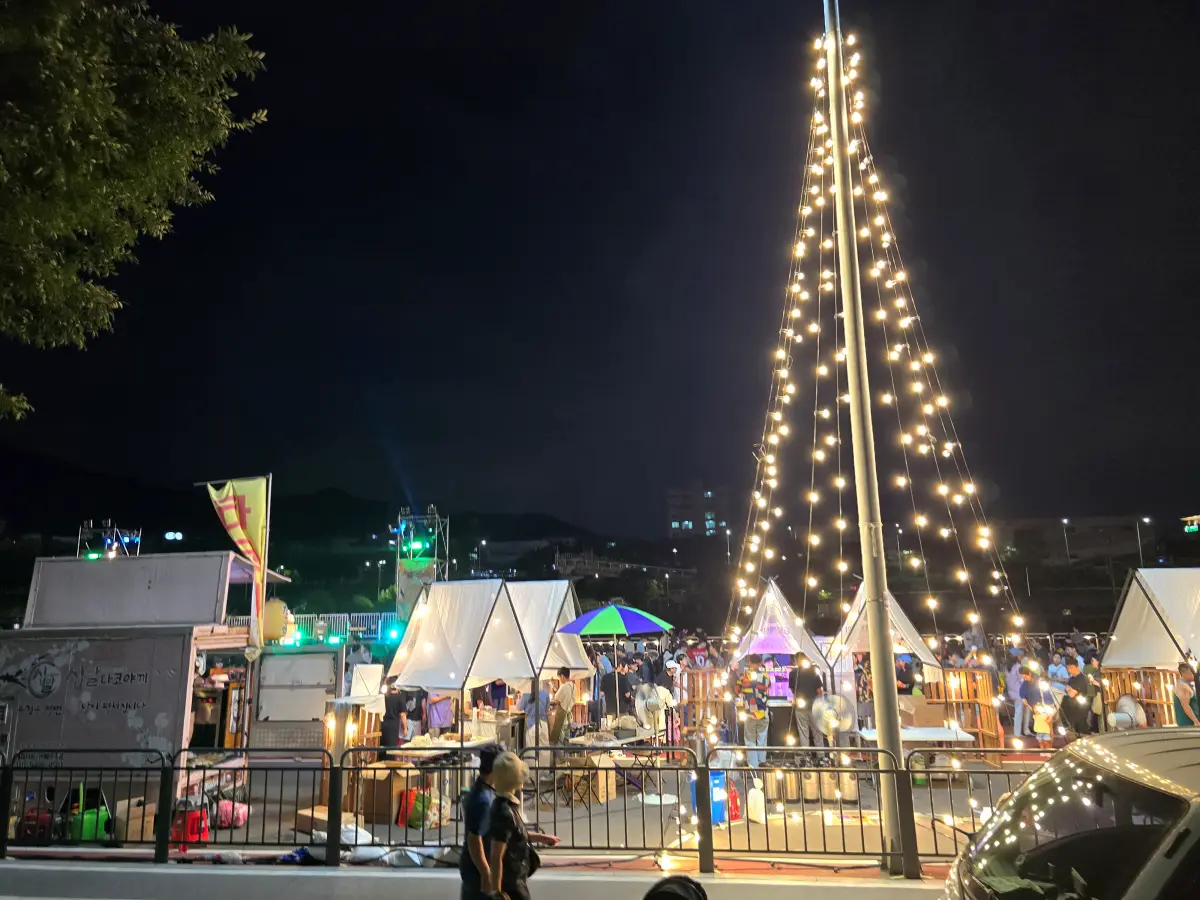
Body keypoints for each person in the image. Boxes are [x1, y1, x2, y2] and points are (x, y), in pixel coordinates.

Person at [485, 752, 560, 900]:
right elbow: (496, 856)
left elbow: (514, 835)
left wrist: (542, 838)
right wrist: (497, 892)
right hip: (511, 886)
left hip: (515, 881)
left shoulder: (505, 807)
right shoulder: (504, 812)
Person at [460, 744, 502, 900]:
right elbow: (474, 838)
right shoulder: (483, 799)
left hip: (475, 866)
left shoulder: (485, 790)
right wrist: (486, 873)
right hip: (476, 870)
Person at [736, 654, 769, 767]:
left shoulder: (744, 675)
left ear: (749, 662)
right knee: (762, 737)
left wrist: (743, 683)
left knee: (750, 739)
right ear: (760, 663)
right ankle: (762, 762)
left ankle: (752, 764)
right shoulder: (766, 676)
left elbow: (737, 690)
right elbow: (766, 688)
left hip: (749, 712)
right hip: (763, 712)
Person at [788, 653, 825, 747]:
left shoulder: (792, 673)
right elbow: (819, 691)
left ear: (796, 660)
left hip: (800, 708)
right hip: (814, 707)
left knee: (803, 734)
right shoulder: (813, 672)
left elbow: (793, 690)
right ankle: (821, 757)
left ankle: (805, 757)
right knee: (817, 734)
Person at [1063, 660, 1092, 735]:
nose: (1069, 670)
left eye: (1071, 668)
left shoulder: (1083, 678)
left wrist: (1070, 690)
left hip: (1081, 707)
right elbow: (1067, 690)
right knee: (1075, 729)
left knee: (1082, 727)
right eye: (1068, 668)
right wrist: (1069, 690)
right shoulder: (1071, 679)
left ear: (1077, 667)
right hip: (1072, 707)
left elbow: (1074, 692)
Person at [549, 667, 575, 744]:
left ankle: (560, 756)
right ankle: (566, 755)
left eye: (559, 677)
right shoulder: (574, 686)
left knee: (558, 740)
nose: (560, 679)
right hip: (569, 715)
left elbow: (556, 700)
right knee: (566, 739)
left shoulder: (564, 686)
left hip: (562, 717)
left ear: (562, 676)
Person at [1174, 663, 1200, 727]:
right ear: (1188, 671)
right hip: (1188, 724)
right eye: (1192, 672)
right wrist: (1196, 722)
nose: (1194, 675)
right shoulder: (1182, 686)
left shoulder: (1187, 685)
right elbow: (1185, 705)